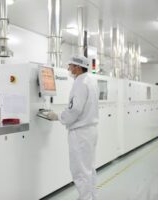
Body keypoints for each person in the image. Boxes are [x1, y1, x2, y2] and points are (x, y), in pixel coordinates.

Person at [47, 56, 99, 200]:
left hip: (80, 132)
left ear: (77, 67)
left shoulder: (80, 83)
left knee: (80, 170)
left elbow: (74, 109)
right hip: (91, 130)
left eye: (70, 66)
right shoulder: (91, 80)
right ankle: (91, 196)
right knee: (89, 168)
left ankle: (85, 198)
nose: (68, 69)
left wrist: (58, 116)